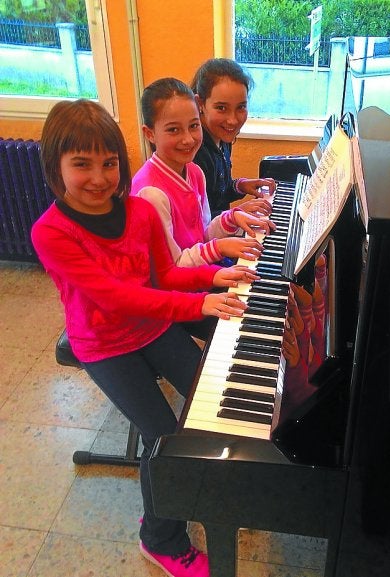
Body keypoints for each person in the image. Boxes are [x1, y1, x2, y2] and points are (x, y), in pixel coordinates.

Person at [31, 99, 260, 577]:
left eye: (109, 163)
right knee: (164, 438)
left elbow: (166, 274)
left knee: (211, 398)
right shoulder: (50, 233)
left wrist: (213, 278)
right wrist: (197, 306)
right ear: (55, 166)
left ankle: (204, 489)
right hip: (104, 346)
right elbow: (116, 298)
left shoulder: (138, 211)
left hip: (151, 327)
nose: (99, 178)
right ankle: (160, 538)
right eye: (82, 164)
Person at [132, 77, 275, 269]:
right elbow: (172, 269)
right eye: (173, 130)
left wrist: (232, 218)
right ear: (150, 134)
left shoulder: (194, 172)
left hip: (200, 273)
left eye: (193, 126)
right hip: (176, 285)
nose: (188, 139)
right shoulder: (151, 194)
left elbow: (204, 234)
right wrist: (220, 247)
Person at [191, 58, 276, 218]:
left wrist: (239, 186)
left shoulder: (222, 138)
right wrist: (235, 215)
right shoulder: (194, 153)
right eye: (221, 108)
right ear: (200, 103)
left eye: (241, 107)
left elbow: (217, 194)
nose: (233, 120)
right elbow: (196, 221)